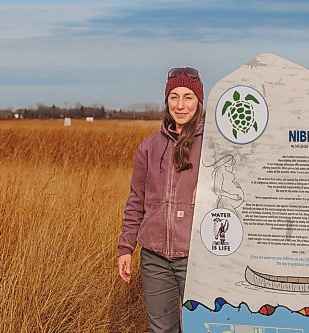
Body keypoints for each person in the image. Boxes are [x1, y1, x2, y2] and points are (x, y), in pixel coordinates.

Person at [117, 67, 204, 333]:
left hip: (197, 256)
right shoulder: (149, 146)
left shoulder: (213, 145)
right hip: (155, 259)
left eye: (188, 97)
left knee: (202, 326)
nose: (180, 105)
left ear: (199, 102)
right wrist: (125, 247)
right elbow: (136, 201)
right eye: (174, 97)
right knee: (163, 329)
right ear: (166, 101)